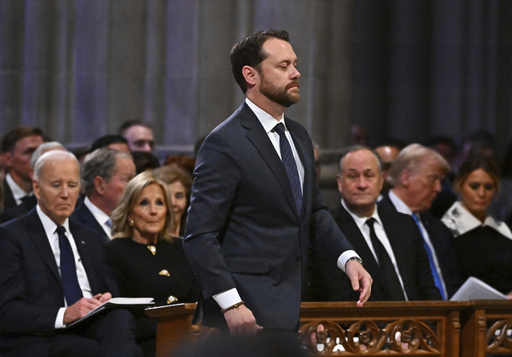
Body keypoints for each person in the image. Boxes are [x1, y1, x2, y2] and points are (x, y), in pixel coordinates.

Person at [183, 29, 372, 336]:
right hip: (246, 312)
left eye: (295, 64)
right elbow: (200, 235)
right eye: (283, 66)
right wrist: (231, 304)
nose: (296, 73)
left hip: (295, 302)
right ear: (251, 75)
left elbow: (313, 212)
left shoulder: (298, 135)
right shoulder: (224, 142)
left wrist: (348, 258)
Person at [0, 150, 141, 357]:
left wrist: (105, 299)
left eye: (72, 186)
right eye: (56, 185)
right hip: (43, 335)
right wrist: (64, 314)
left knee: (120, 317)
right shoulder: (11, 236)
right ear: (37, 189)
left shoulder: (90, 238)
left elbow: (110, 291)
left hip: (90, 325)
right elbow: (7, 311)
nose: (65, 194)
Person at [309, 146, 441, 301]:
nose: (362, 184)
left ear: (381, 181)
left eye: (369, 175)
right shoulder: (328, 232)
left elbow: (427, 288)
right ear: (340, 183)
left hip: (415, 323)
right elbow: (335, 295)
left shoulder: (404, 224)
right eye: (353, 176)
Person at [105, 171, 199, 356]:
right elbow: (121, 312)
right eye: (143, 203)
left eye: (160, 203)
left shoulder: (181, 247)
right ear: (129, 211)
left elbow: (197, 299)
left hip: (192, 337)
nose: (154, 211)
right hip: (148, 341)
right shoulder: (114, 251)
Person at [381, 143, 463, 299]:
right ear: (406, 177)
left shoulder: (437, 226)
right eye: (433, 179)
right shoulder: (377, 220)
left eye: (441, 181)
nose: (439, 188)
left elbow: (451, 278)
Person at [441, 157, 512, 296]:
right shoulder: (445, 228)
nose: (481, 194)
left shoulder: (502, 229)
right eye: (474, 186)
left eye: (489, 187)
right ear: (459, 186)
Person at [71, 148, 136, 242]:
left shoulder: (135, 223)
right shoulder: (72, 226)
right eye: (127, 180)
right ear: (100, 185)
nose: (135, 186)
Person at [0, 141, 66, 224]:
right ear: (34, 173)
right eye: (53, 167)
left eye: (72, 185)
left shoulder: (81, 215)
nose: (65, 193)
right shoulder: (13, 220)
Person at [1, 126, 44, 211]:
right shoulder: (2, 194)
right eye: (30, 152)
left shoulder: (47, 196)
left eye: (41, 151)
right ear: (8, 159)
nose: (38, 158)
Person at [153, 164, 193, 237]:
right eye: (166, 196)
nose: (173, 203)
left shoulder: (194, 238)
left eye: (179, 196)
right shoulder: (148, 241)